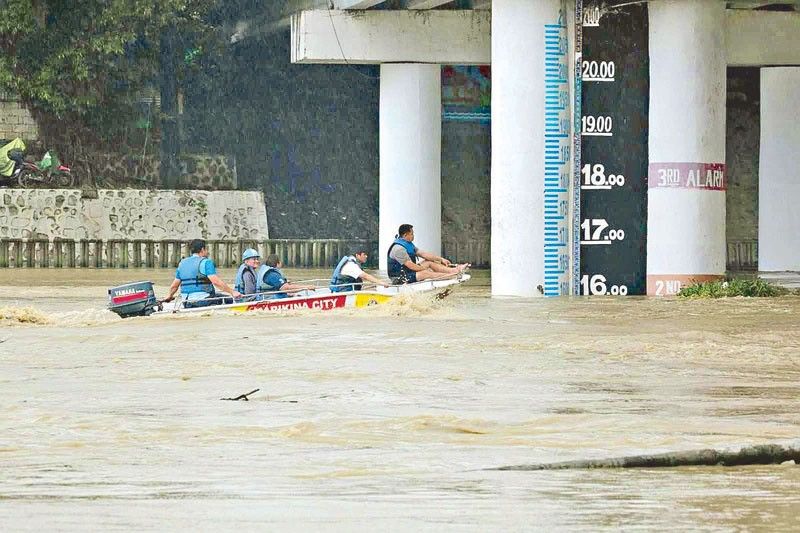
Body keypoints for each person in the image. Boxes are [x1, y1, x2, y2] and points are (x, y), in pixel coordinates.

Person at [163, 239, 242, 305]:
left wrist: (169, 296)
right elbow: (216, 282)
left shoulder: (182, 263)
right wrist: (232, 292)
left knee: (218, 295)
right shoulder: (206, 262)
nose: (207, 251)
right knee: (229, 299)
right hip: (202, 301)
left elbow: (174, 286)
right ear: (202, 250)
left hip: (186, 302)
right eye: (206, 249)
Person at [387, 223, 469, 284]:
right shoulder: (398, 249)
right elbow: (411, 265)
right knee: (425, 273)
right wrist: (424, 269)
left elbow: (423, 254)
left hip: (408, 272)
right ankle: (453, 276)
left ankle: (455, 270)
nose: (413, 236)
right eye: (412, 234)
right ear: (405, 235)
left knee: (428, 262)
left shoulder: (409, 244)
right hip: (399, 278)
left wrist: (441, 259)